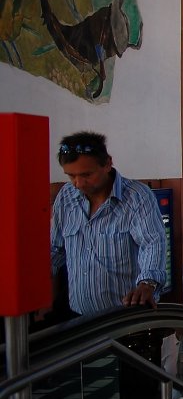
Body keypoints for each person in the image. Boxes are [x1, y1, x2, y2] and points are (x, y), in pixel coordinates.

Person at [50, 131, 167, 316]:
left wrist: (148, 283)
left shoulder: (137, 197)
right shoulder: (66, 197)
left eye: (86, 174)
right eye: (71, 176)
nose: (78, 183)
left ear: (107, 164)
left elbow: (152, 243)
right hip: (78, 319)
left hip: (124, 321)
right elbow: (55, 249)